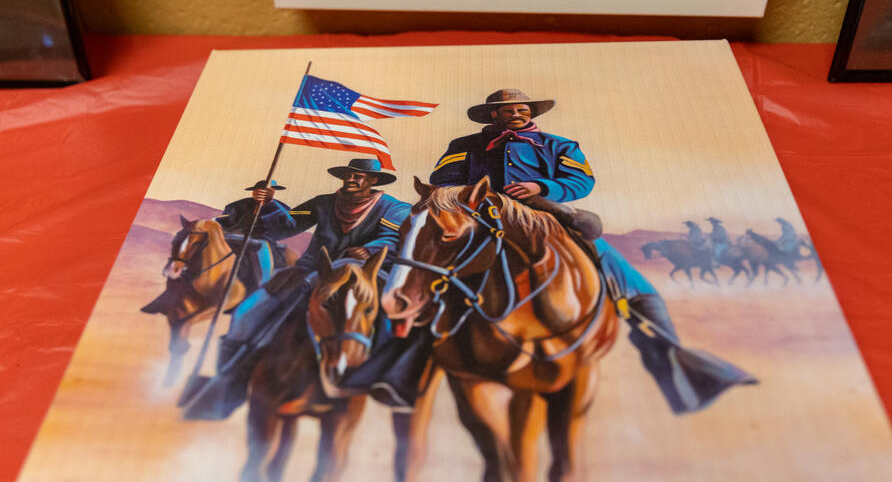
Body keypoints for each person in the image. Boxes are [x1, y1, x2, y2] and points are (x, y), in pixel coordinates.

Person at [427, 88, 755, 413]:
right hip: (480, 220)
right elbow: (443, 179)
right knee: (422, 266)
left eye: (523, 109)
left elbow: (581, 180)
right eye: (508, 109)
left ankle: (668, 349)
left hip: (543, 217)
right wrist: (476, 197)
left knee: (609, 261)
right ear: (493, 115)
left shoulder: (560, 146)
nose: (517, 113)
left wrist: (541, 186)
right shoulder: (463, 146)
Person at [180, 158, 411, 420]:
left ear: (373, 180)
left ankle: (389, 380)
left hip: (362, 277)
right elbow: (285, 227)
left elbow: (394, 237)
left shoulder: (393, 208)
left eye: (358, 176)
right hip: (309, 273)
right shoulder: (324, 202)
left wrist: (369, 249)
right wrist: (268, 204)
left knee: (390, 320)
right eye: (349, 175)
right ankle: (228, 386)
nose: (351, 179)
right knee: (246, 313)